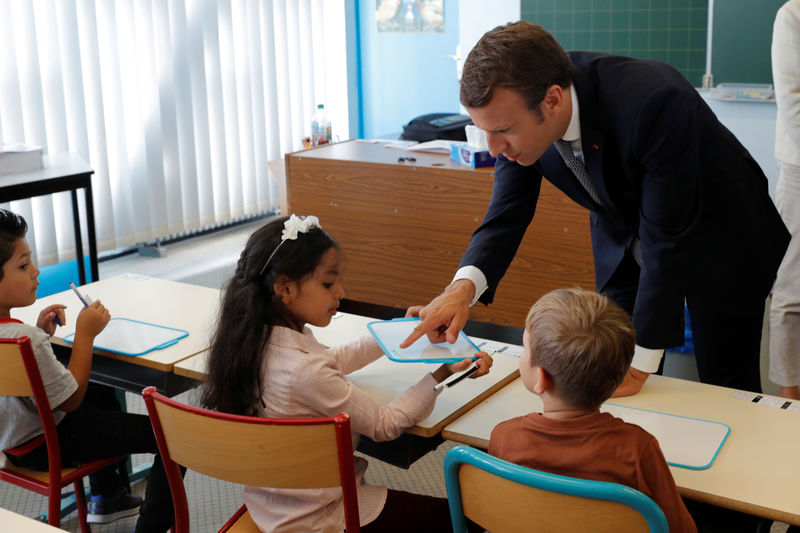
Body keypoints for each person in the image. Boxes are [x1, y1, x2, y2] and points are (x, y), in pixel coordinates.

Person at [402, 21, 790, 396]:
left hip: (722, 238)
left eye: (501, 131)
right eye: (483, 129)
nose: (493, 148)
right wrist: (461, 289)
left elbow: (667, 236)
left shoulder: (655, 100)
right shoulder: (517, 111)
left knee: (724, 382)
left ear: (552, 101)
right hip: (626, 239)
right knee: (609, 370)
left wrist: (643, 361)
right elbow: (507, 213)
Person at [199, 214, 492, 533]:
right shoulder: (305, 370)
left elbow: (330, 361)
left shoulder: (252, 339)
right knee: (471, 520)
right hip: (323, 518)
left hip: (272, 505)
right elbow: (385, 424)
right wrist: (441, 375)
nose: (340, 291)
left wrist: (396, 332)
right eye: (328, 283)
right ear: (284, 288)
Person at [0, 209, 177, 532]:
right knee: (175, 437)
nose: (36, 271)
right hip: (51, 441)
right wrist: (85, 335)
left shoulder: (18, 336)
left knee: (100, 386)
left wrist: (42, 334)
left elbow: (21, 369)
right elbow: (70, 400)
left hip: (14, 443)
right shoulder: (26, 338)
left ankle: (107, 496)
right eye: (24, 265)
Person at [489, 287, 696, 532]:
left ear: (541, 379)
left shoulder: (505, 437)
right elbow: (680, 528)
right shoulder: (638, 449)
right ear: (619, 378)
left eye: (525, 350)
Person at [769, 0, 800, 400]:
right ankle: (789, 399)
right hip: (799, 170)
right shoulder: (793, 14)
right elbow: (794, 105)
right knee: (792, 290)